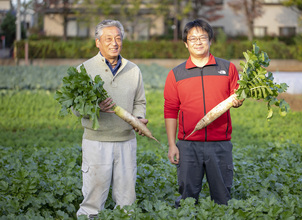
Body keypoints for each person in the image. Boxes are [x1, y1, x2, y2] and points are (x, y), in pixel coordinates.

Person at [163, 19, 244, 207]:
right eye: (193, 38)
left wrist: (239, 101)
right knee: (187, 199)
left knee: (223, 197)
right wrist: (171, 144)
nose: (198, 42)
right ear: (186, 43)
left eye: (202, 37)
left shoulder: (228, 68)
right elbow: (170, 110)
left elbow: (237, 98)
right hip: (188, 145)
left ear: (210, 41)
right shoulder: (176, 74)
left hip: (220, 144)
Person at [75, 19, 148, 218]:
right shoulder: (85, 70)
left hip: (126, 142)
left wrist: (139, 118)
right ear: (97, 42)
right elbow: (75, 108)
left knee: (127, 200)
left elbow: (140, 101)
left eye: (118, 38)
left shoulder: (133, 70)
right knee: (93, 200)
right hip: (96, 142)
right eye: (108, 39)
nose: (114, 43)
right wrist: (94, 107)